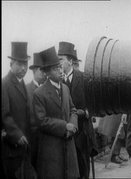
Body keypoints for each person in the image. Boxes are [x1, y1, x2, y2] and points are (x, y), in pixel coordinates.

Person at [33, 46, 83, 179]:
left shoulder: (65, 89)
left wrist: (73, 125)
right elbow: (41, 120)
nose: (60, 71)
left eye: (60, 67)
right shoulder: (39, 93)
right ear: (48, 73)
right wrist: (64, 126)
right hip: (52, 149)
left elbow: (73, 109)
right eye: (56, 69)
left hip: (69, 145)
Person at [58, 41, 98, 179]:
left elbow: (93, 103)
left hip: (83, 131)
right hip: (66, 132)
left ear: (70, 61)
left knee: (83, 167)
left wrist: (86, 112)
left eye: (61, 60)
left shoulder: (84, 78)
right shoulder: (57, 81)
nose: (59, 63)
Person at [2, 42, 31, 179]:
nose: (24, 68)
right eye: (19, 64)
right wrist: (17, 135)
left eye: (25, 63)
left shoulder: (22, 83)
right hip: (12, 148)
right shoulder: (5, 84)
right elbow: (5, 115)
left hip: (23, 147)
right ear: (11, 64)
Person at [26, 53, 46, 169]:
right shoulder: (26, 90)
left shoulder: (49, 88)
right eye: (41, 70)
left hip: (48, 140)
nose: (44, 73)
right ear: (34, 71)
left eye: (45, 70)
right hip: (33, 140)